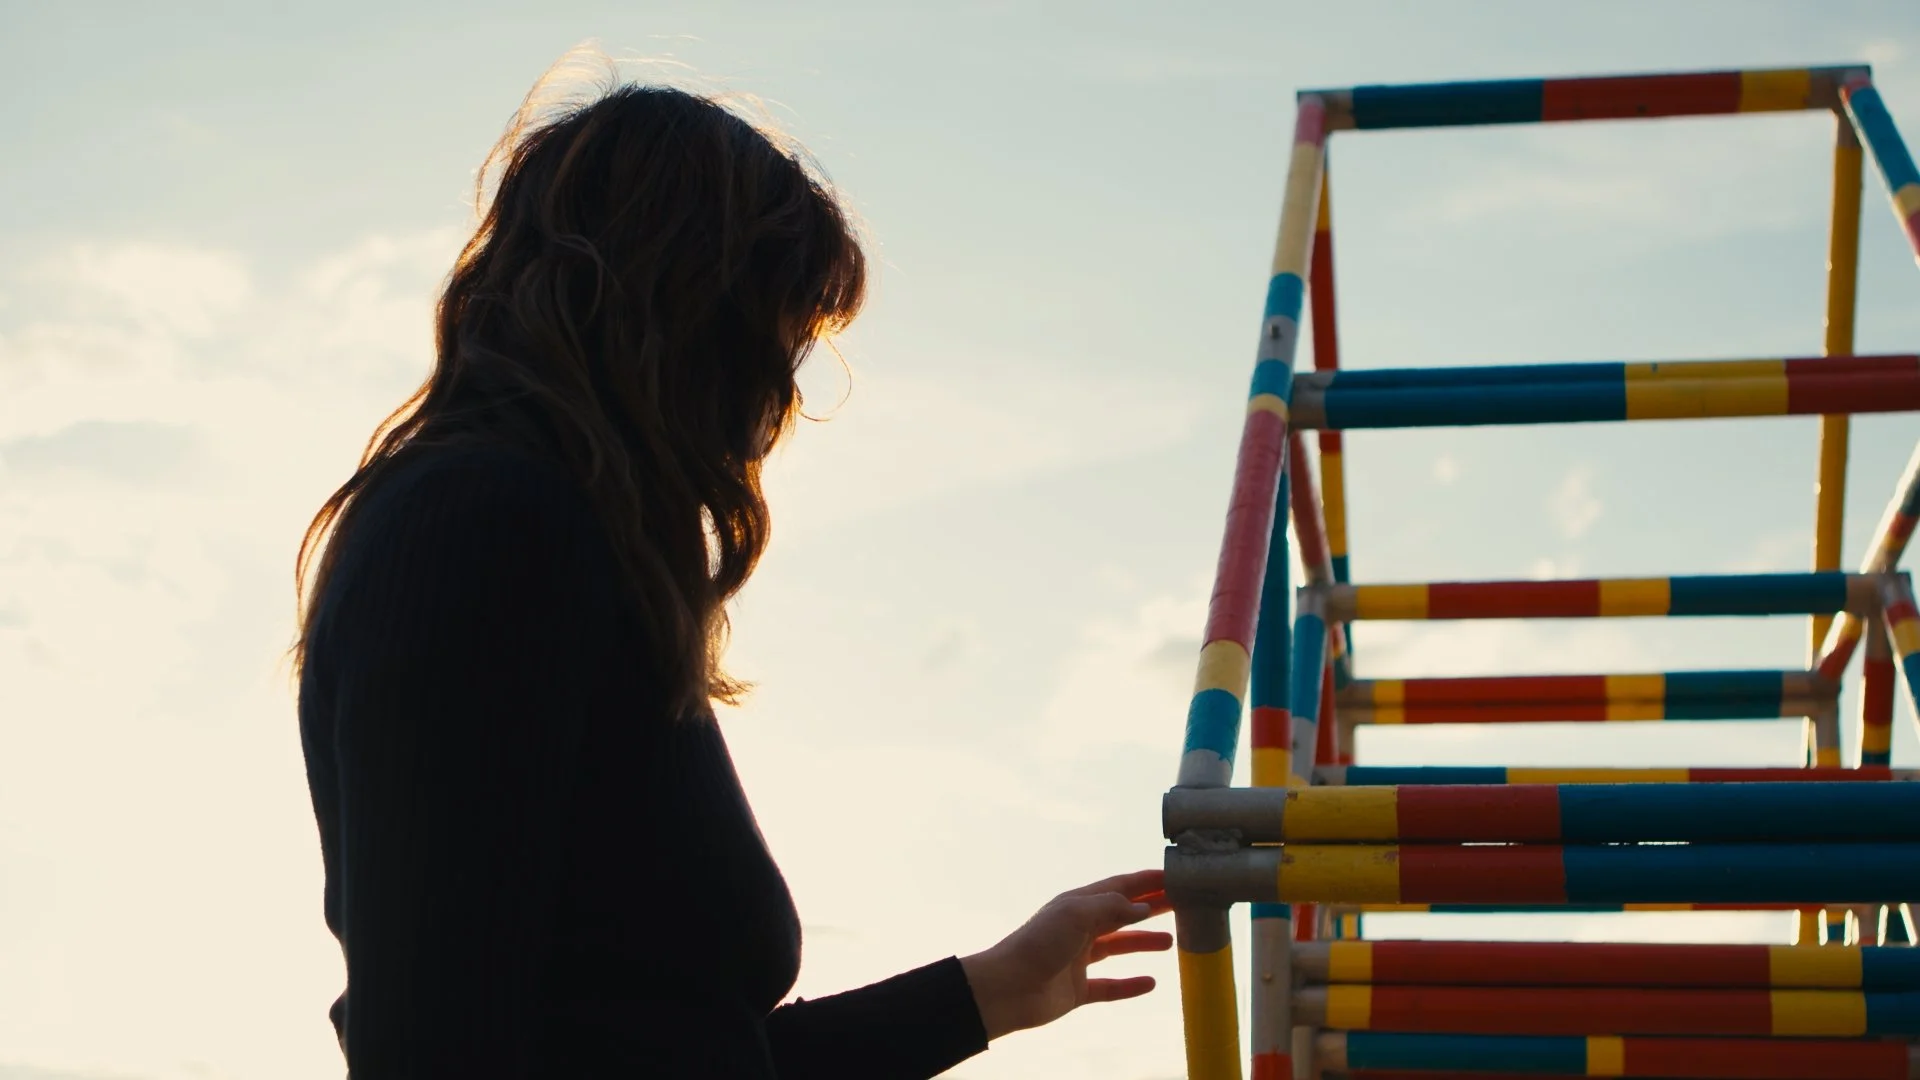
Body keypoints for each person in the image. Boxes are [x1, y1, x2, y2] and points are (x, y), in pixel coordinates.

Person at [292, 59, 1170, 1078]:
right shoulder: (485, 524)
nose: (779, 401)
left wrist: (994, 990)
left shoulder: (546, 534)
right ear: (688, 310)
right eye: (778, 337)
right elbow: (437, 1050)